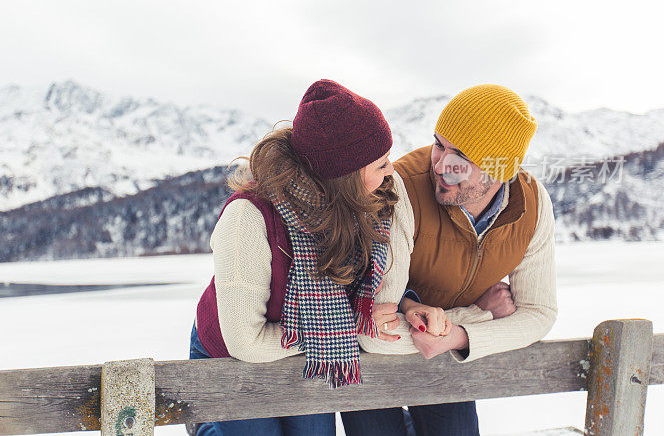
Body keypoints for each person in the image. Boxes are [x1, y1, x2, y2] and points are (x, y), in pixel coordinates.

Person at [189, 79, 452, 436]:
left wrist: (398, 308)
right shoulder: (249, 218)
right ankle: (206, 427)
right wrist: (341, 328)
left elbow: (371, 295)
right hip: (236, 354)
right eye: (381, 163)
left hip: (301, 345)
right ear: (345, 175)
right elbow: (246, 341)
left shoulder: (367, 203)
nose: (391, 171)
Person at [343, 84, 557, 436]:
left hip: (444, 354)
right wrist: (481, 314)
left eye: (460, 157)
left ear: (498, 170)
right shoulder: (400, 188)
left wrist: (458, 337)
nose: (441, 164)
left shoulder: (531, 205)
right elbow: (377, 331)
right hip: (369, 362)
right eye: (438, 144)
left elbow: (539, 313)